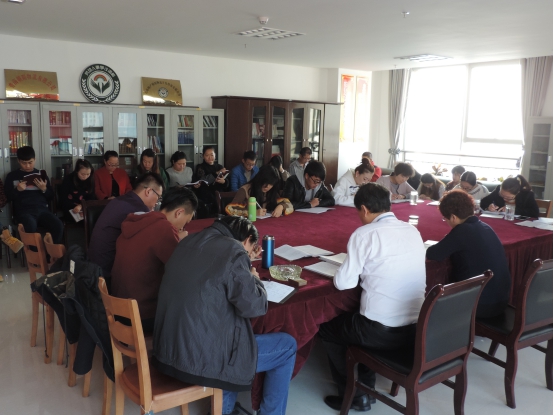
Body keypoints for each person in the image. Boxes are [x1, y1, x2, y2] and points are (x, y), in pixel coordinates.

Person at [153, 216, 297, 415]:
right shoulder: (233, 251)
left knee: (227, 332)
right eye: (250, 250)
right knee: (286, 347)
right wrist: (254, 280)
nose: (248, 255)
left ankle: (223, 409)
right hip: (199, 358)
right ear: (246, 240)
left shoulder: (188, 241)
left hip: (167, 350)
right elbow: (254, 307)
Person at [319, 183, 426, 412]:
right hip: (416, 329)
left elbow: (344, 283)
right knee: (361, 317)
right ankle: (367, 386)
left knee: (328, 328)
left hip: (378, 332)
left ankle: (354, 394)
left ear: (365, 210)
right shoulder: (412, 230)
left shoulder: (364, 234)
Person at [111, 187, 197, 332]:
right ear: (179, 212)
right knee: (193, 310)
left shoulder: (138, 220)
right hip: (142, 315)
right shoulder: (164, 228)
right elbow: (182, 271)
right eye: (186, 221)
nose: (183, 227)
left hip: (119, 309)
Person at [427, 190, 511, 318]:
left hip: (479, 305)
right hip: (501, 300)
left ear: (453, 217)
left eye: (445, 218)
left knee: (431, 307)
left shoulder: (462, 231)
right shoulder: (485, 227)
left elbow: (433, 254)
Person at [88, 172, 164, 286]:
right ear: (148, 191)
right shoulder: (139, 210)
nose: (157, 202)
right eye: (158, 197)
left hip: (94, 267)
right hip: (108, 274)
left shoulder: (121, 200)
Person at [5, 146, 64, 244]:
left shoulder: (41, 175)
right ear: (18, 161)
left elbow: (51, 197)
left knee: (58, 225)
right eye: (24, 163)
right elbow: (7, 198)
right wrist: (17, 190)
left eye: (30, 162)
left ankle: (52, 252)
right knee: (30, 224)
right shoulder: (12, 176)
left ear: (35, 159)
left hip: (42, 210)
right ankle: (35, 252)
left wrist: (44, 189)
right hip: (23, 212)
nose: (27, 166)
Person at [227, 165, 293, 218]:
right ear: (260, 179)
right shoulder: (245, 189)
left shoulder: (271, 190)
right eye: (266, 183)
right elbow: (230, 209)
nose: (267, 187)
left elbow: (289, 204)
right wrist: (253, 212)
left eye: (271, 184)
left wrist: (281, 207)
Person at [192, 146, 228, 218]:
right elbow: (204, 181)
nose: (210, 157)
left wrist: (224, 182)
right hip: (206, 196)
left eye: (212, 155)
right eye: (207, 155)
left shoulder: (219, 166)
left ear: (215, 155)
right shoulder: (200, 167)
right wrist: (216, 173)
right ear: (203, 156)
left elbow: (227, 183)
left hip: (218, 195)